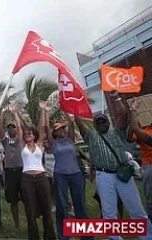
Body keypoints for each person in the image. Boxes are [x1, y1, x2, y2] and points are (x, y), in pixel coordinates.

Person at [74, 93, 152, 240]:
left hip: (122, 174)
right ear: (95, 125)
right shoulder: (91, 137)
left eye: (104, 121)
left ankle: (147, 237)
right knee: (109, 212)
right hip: (103, 176)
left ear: (109, 123)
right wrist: (73, 109)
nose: (101, 123)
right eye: (98, 122)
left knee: (136, 209)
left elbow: (122, 117)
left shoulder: (118, 133)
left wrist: (116, 98)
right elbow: (80, 125)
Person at [42, 101, 93, 240]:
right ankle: (64, 236)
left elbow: (71, 123)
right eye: (59, 129)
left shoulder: (70, 139)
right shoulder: (54, 143)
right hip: (60, 176)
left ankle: (87, 236)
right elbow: (46, 127)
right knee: (62, 206)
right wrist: (45, 111)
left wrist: (66, 108)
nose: (62, 130)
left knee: (80, 205)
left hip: (76, 174)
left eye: (63, 129)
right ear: (55, 132)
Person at [10, 104, 56, 240]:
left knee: (46, 209)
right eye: (26, 134)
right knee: (30, 211)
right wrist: (15, 113)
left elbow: (42, 127)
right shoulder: (22, 146)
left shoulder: (39, 145)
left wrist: (42, 110)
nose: (27, 134)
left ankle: (49, 237)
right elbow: (19, 128)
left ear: (35, 136)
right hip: (27, 179)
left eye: (30, 133)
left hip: (42, 178)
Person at [0, 107, 24, 229]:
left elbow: (20, 127)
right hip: (9, 172)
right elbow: (0, 128)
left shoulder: (20, 139)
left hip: (21, 170)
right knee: (13, 200)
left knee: (26, 197)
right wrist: (2, 113)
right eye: (9, 127)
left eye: (12, 127)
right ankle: (17, 224)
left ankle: (31, 219)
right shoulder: (5, 141)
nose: (11, 129)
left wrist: (14, 113)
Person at [130, 97, 152, 223]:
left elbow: (136, 130)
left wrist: (134, 111)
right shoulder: (145, 131)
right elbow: (134, 132)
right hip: (149, 166)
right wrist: (133, 112)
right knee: (150, 199)